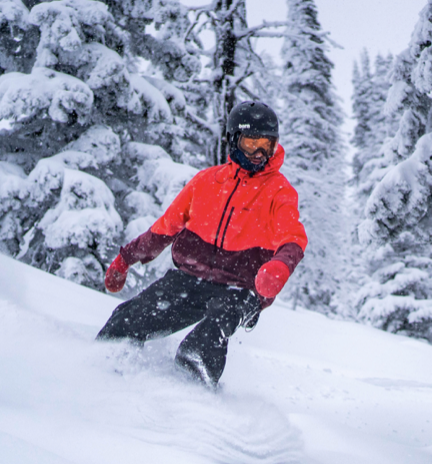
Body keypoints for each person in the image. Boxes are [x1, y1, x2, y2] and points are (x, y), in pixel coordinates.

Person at [96, 101, 307, 387]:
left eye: (266, 145)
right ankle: (102, 380)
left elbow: (292, 238)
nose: (259, 154)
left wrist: (279, 267)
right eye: (251, 143)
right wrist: (126, 258)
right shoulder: (207, 181)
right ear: (234, 140)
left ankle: (194, 402)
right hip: (189, 280)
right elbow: (165, 228)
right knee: (126, 321)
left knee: (202, 343)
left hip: (241, 288)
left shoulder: (279, 192)